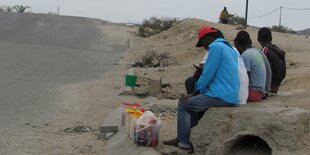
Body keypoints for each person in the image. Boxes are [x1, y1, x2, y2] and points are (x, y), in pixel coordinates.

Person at [163, 26, 248, 153]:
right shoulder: (229, 48)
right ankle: (184, 137)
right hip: (231, 95)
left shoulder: (215, 47)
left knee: (184, 105)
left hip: (221, 95)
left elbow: (207, 74)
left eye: (203, 43)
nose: (204, 46)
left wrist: (194, 92)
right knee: (191, 104)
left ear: (209, 38)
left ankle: (184, 142)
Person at [234, 30, 271, 102]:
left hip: (253, 94)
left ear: (237, 43)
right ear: (250, 40)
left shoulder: (246, 55)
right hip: (261, 92)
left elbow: (244, 78)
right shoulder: (256, 51)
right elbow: (268, 70)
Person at [258, 27, 286, 94]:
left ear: (258, 39)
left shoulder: (265, 50)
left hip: (270, 84)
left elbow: (263, 69)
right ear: (271, 38)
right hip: (277, 83)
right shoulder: (277, 50)